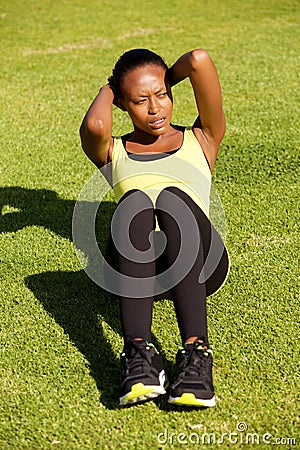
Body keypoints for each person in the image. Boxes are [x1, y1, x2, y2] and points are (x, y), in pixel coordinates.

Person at [79, 48, 229, 407]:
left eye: (161, 95)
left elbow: (199, 59)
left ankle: (196, 356)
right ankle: (139, 357)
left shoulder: (203, 137)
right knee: (136, 204)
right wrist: (111, 87)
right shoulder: (113, 152)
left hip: (200, 267)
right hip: (137, 273)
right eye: (139, 100)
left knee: (173, 198)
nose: (154, 108)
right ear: (123, 105)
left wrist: (162, 78)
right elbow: (95, 127)